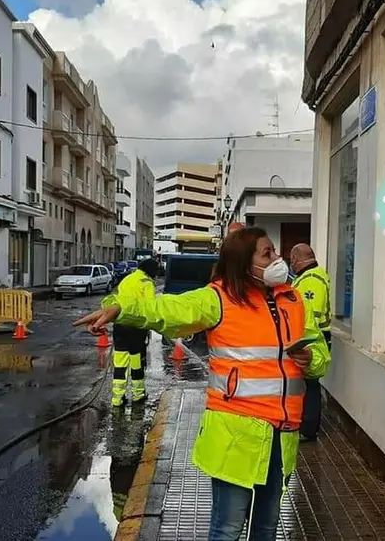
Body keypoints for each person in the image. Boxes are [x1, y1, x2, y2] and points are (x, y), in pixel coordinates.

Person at [74, 227, 329, 540]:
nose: (278, 259)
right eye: (268, 253)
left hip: (282, 437)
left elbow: (320, 353)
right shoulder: (219, 299)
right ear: (244, 263)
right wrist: (122, 309)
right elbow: (168, 310)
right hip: (236, 437)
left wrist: (311, 359)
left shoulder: (294, 299)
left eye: (276, 252)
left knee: (267, 528)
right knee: (228, 530)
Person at [290, 243, 332, 441]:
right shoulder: (308, 277)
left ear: (298, 259)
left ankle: (308, 429)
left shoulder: (312, 279)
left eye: (292, 260)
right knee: (308, 385)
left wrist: (301, 342)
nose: (291, 264)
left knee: (310, 385)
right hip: (312, 338)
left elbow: (310, 316)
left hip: (312, 339)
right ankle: (306, 426)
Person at [108, 258, 159, 406]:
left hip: (120, 324)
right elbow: (150, 308)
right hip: (136, 327)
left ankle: (117, 398)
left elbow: (118, 299)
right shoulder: (146, 283)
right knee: (136, 362)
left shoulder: (127, 279)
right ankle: (138, 394)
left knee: (120, 362)